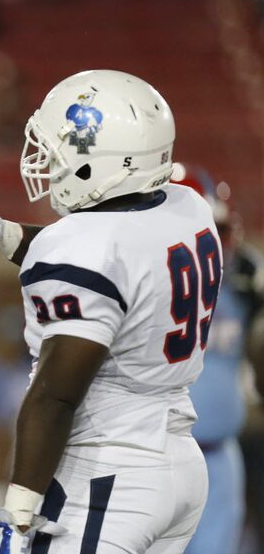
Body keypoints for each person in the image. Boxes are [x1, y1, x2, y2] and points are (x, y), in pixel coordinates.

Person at [0, 70, 216, 553]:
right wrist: (3, 234)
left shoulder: (85, 247)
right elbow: (115, 262)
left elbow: (56, 397)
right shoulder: (187, 207)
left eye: (61, 151)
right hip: (178, 460)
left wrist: (17, 515)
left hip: (107, 470)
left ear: (103, 161)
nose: (47, 163)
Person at [168, 163, 264, 554]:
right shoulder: (132, 279)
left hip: (220, 454)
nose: (214, 241)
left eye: (218, 229)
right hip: (149, 456)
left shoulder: (242, 281)